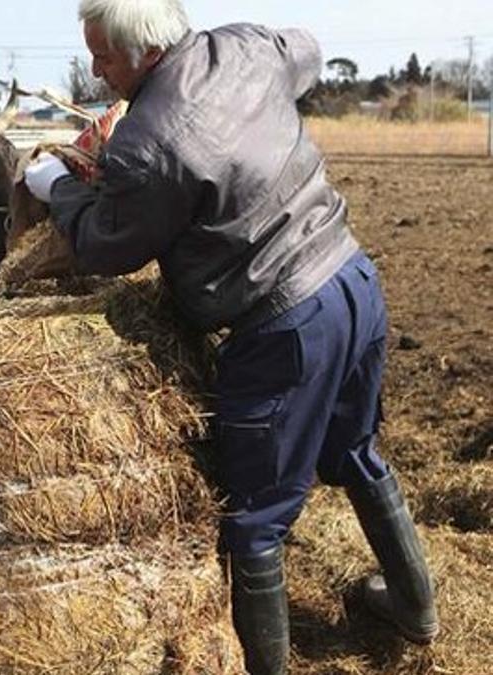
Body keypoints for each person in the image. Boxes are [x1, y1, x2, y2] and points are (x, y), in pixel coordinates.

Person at [22, 1, 439, 672]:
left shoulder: (149, 140)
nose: (95, 70)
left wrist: (58, 189)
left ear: (149, 53)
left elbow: (107, 244)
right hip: (352, 281)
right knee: (355, 446)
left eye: (103, 56)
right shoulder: (247, 46)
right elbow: (307, 49)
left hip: (283, 325)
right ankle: (416, 607)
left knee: (253, 515)